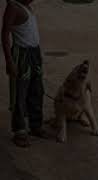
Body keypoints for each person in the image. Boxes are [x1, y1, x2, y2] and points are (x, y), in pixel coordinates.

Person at [1, 0, 48, 148]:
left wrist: (38, 56)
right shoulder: (13, 7)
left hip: (34, 53)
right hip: (21, 55)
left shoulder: (27, 6)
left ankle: (35, 125)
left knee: (37, 90)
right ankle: (20, 131)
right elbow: (5, 35)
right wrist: (9, 61)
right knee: (19, 94)